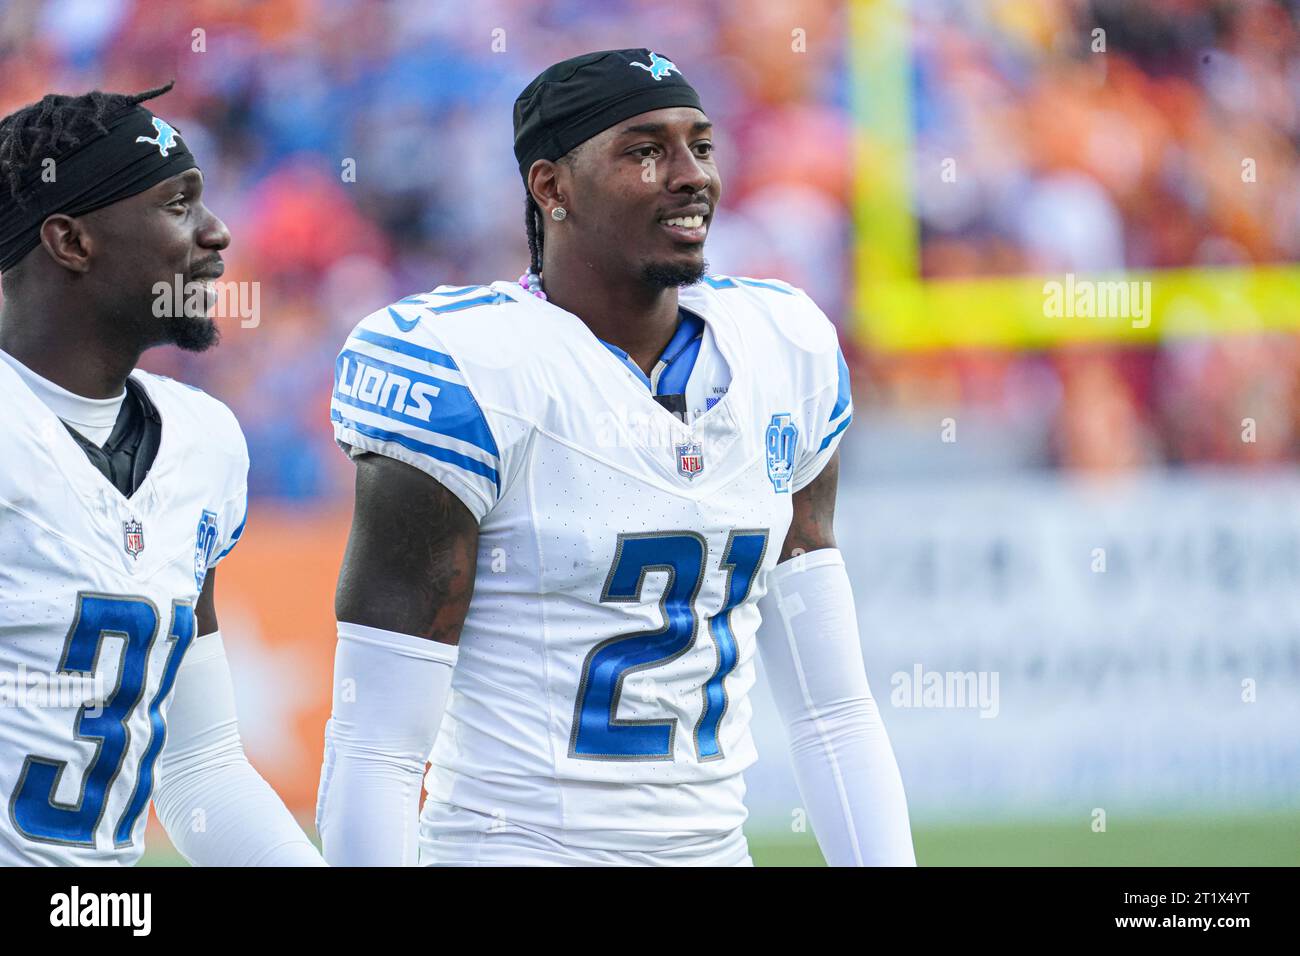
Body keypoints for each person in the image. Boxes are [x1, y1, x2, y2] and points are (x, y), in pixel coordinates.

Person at [318, 49, 915, 866]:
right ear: (550, 186)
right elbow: (376, 743)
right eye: (644, 150)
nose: (689, 175)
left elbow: (832, 710)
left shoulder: (785, 350)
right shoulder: (472, 370)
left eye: (701, 146)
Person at [0, 83, 323, 866]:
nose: (217, 234)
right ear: (72, 242)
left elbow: (198, 765)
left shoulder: (203, 442)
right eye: (178, 205)